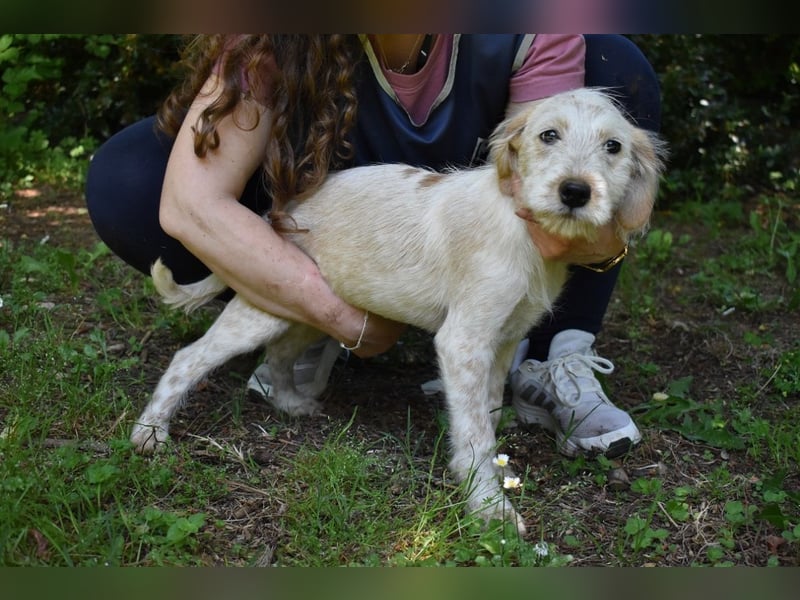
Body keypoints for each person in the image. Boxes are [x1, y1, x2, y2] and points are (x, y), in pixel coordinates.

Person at [85, 34, 662, 458]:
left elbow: (536, 180)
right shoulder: (272, 32)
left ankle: (559, 353)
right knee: (237, 324)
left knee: (619, 60)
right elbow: (191, 200)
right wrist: (338, 312)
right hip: (329, 207)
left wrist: (602, 232)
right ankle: (272, 342)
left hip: (438, 195)